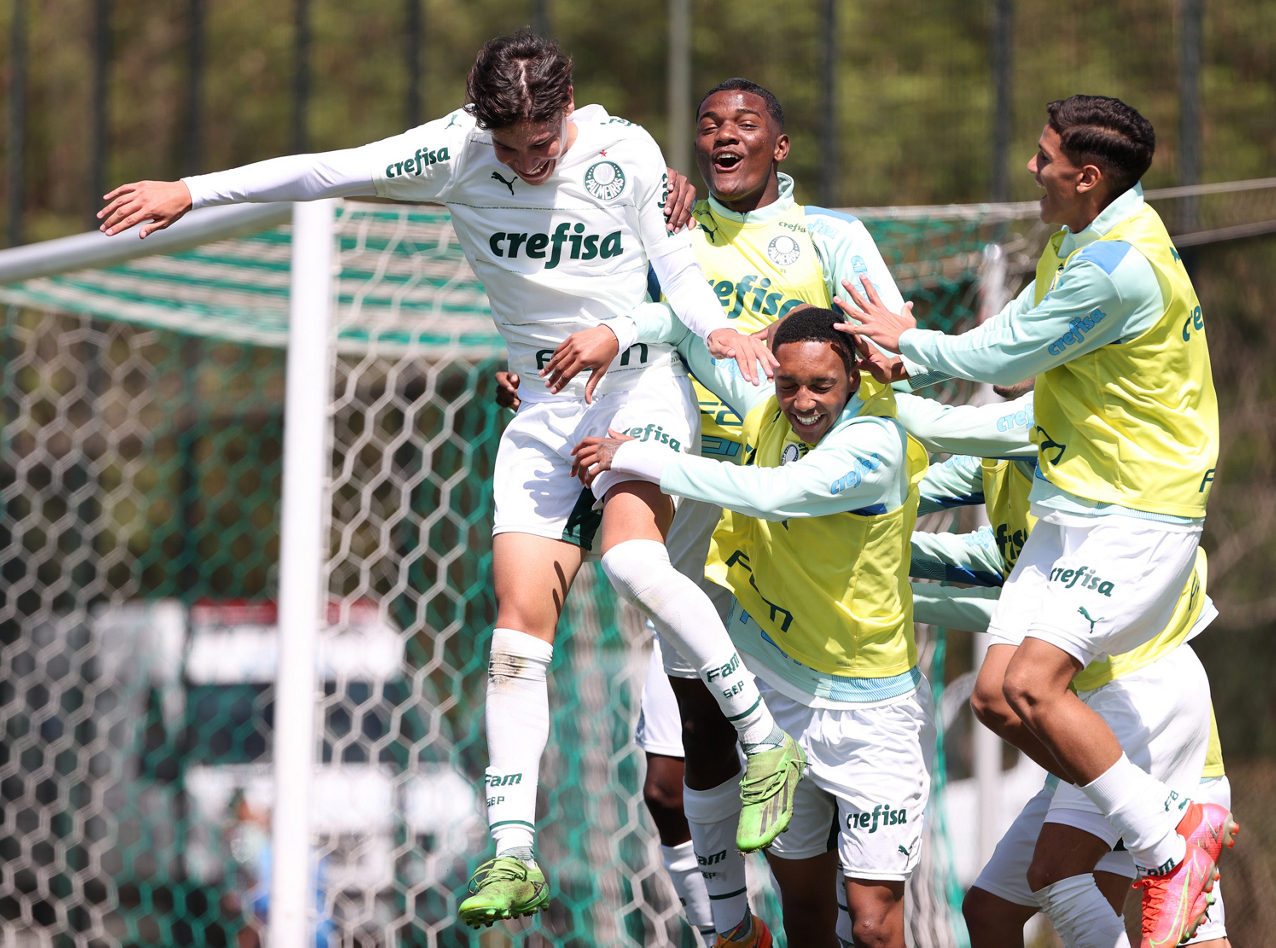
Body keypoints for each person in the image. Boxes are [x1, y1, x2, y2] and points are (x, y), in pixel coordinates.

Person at [96, 31, 803, 930]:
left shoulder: (626, 151)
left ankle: (765, 740)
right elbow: (324, 170)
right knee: (515, 634)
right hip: (542, 409)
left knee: (632, 562)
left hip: (638, 389)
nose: (528, 162)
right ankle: (512, 852)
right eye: (509, 147)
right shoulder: (453, 151)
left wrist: (715, 332)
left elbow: (677, 273)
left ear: (568, 104)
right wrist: (190, 190)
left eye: (541, 143)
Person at [504, 78, 913, 947]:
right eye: (710, 124)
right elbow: (614, 323)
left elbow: (889, 341)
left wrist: (890, 363)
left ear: (780, 145)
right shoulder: (667, 226)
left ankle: (834, 916)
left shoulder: (830, 236)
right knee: (668, 779)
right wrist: (543, 376)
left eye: (745, 123)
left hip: (791, 508)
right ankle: (731, 929)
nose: (725, 136)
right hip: (686, 491)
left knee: (820, 784)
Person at [839, 94, 1235, 946]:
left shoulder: (1116, 266)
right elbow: (1011, 344)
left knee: (1030, 699)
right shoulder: (1073, 242)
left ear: (1086, 177)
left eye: (1044, 156)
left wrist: (908, 343)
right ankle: (1164, 828)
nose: (1031, 167)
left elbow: (1003, 356)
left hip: (1137, 509)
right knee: (997, 694)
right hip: (1078, 506)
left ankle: (1170, 844)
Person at [573, 308, 934, 948]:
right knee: (805, 914)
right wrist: (617, 334)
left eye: (821, 385)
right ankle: (735, 929)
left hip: (874, 714)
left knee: (873, 926)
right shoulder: (771, 407)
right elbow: (686, 336)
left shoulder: (875, 444)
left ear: (853, 376)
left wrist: (641, 456)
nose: (803, 402)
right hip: (780, 695)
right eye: (789, 384)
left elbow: (773, 493)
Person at [890, 388, 1230, 948]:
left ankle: (1164, 816)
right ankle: (1161, 818)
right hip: (1085, 721)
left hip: (1140, 701)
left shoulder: (1065, 420)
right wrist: (843, 529)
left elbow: (957, 428)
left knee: (1065, 876)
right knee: (991, 911)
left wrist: (874, 388)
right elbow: (913, 497)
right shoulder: (1000, 462)